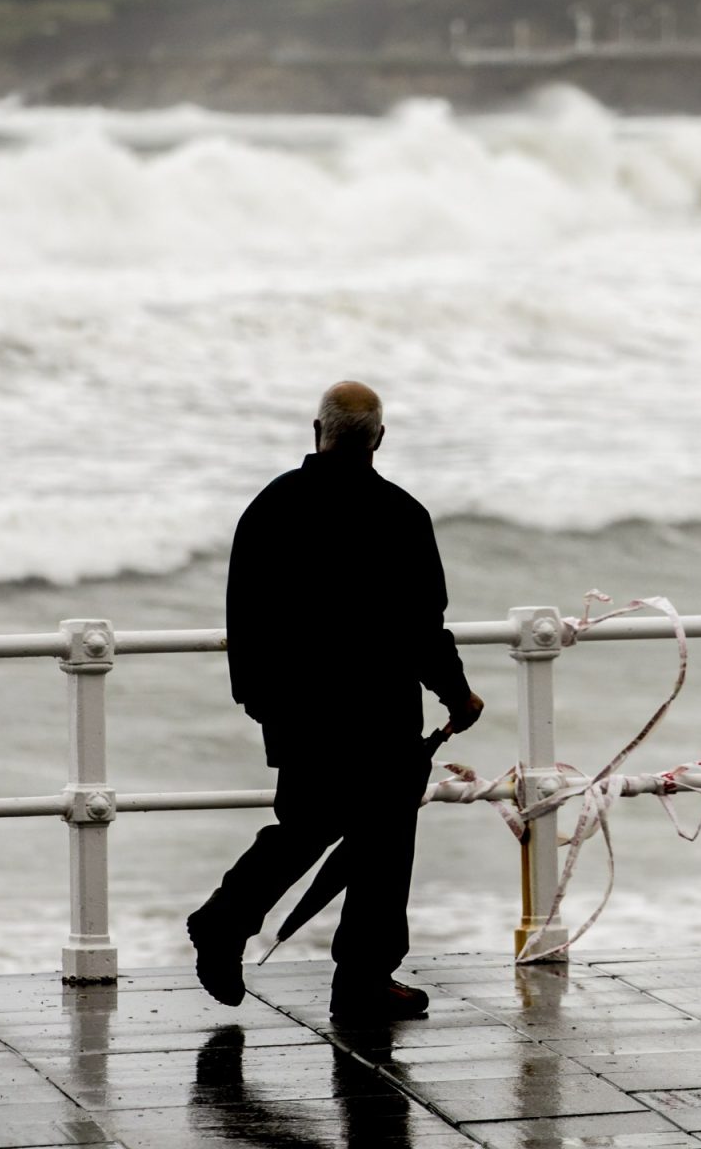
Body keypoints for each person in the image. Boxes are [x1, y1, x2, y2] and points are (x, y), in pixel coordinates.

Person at [187, 381, 483, 1021]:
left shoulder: (271, 507)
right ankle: (358, 980)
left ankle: (228, 919)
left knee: (307, 825)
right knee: (383, 843)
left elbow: (246, 614)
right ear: (379, 437)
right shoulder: (401, 514)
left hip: (297, 709)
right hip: (380, 710)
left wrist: (257, 701)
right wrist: (457, 696)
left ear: (313, 430)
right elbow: (423, 628)